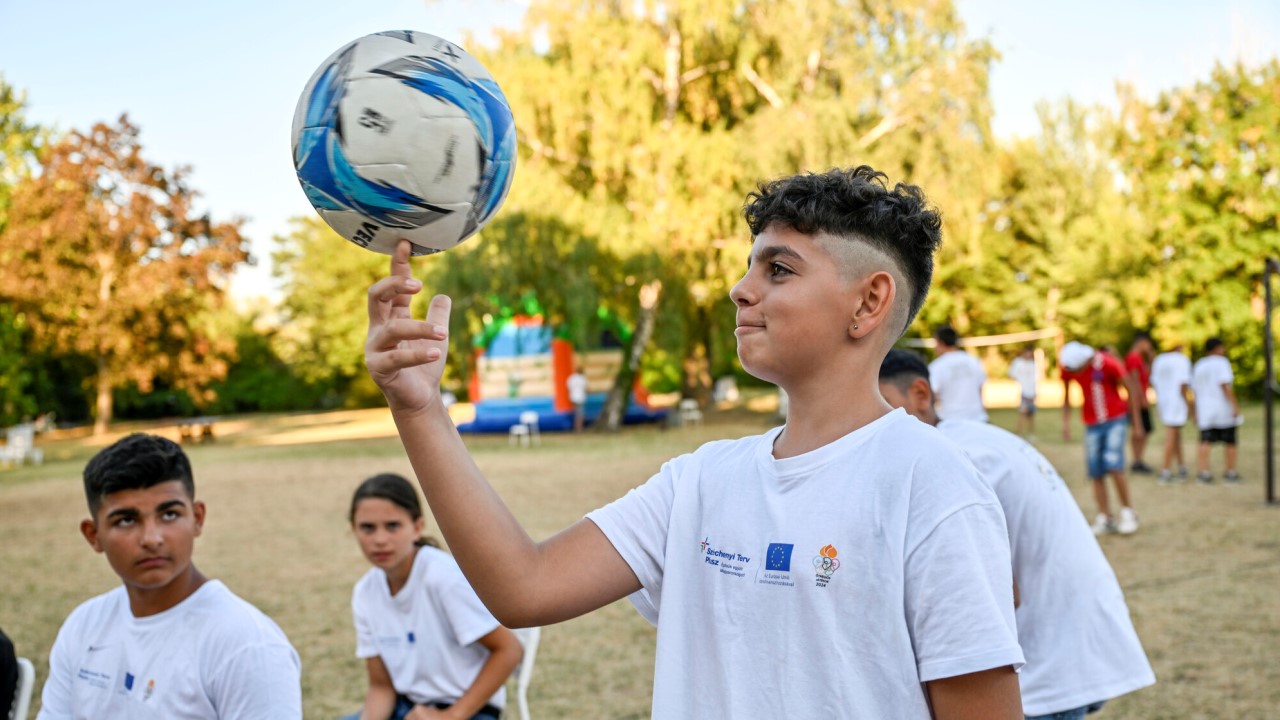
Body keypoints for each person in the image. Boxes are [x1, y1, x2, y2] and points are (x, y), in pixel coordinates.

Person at [364, 166, 1025, 718]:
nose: (741, 289)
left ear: (868, 301)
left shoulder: (931, 483)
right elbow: (524, 587)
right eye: (749, 267)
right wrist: (418, 409)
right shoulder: (701, 479)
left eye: (780, 270)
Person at [879, 349, 1156, 720]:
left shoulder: (954, 458)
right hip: (1069, 645)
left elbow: (987, 598)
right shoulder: (971, 437)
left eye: (881, 409)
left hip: (1047, 665)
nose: (869, 427)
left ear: (920, 394)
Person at [38, 433, 301, 719]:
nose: (152, 538)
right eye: (126, 520)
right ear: (93, 535)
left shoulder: (247, 646)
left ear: (197, 518)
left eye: (170, 515)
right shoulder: (84, 626)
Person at [344, 473, 522, 720]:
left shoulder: (442, 577)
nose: (380, 539)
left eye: (393, 526)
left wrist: (451, 716)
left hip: (469, 710)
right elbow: (381, 687)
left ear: (417, 527)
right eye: (367, 528)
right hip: (407, 708)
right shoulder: (365, 592)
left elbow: (509, 650)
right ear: (353, 529)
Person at [1059, 342, 1144, 535]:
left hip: (1115, 420)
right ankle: (1105, 517)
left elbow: (1129, 389)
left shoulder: (1107, 363)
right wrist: (1065, 424)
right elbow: (1066, 395)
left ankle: (1128, 512)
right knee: (1095, 470)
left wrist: (1136, 423)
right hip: (1092, 424)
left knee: (1114, 464)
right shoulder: (1070, 367)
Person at [1191, 337, 1241, 484]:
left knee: (1205, 440)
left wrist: (1194, 410)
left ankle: (1203, 472)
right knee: (1230, 441)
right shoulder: (1222, 362)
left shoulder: (1199, 365)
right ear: (1218, 348)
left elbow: (1193, 390)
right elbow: (1225, 385)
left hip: (1205, 410)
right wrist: (1235, 405)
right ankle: (1230, 472)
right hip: (1222, 409)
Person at [1149, 343, 1194, 484]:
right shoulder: (1182, 360)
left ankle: (1181, 467)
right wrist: (1191, 407)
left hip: (1164, 401)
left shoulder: (1160, 359)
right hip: (1176, 402)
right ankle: (1165, 470)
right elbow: (1183, 385)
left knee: (1176, 435)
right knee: (1171, 435)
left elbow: (1154, 382)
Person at [928, 324, 988, 422]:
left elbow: (934, 397)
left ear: (941, 342)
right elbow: (980, 388)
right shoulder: (973, 360)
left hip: (951, 421)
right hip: (978, 419)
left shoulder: (936, 366)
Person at [1124, 332, 1156, 474]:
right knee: (1139, 431)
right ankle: (1137, 460)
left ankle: (1138, 459)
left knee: (1145, 430)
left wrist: (1151, 359)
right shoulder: (1133, 358)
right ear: (1142, 342)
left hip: (1141, 399)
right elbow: (1134, 381)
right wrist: (1141, 399)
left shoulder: (1140, 359)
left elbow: (1146, 376)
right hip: (1137, 401)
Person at [1008, 345, 1039, 439]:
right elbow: (1012, 375)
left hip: (1031, 392)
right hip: (1023, 391)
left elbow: (1035, 379)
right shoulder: (1018, 362)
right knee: (1022, 413)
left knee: (1031, 414)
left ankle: (1031, 434)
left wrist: (1035, 392)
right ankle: (1018, 434)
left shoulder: (1033, 364)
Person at [566, 365, 588, 432]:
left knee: (576, 412)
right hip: (580, 397)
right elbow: (586, 388)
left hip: (573, 397)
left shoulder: (571, 378)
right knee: (580, 413)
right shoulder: (582, 378)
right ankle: (579, 428)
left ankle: (575, 426)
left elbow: (568, 387)